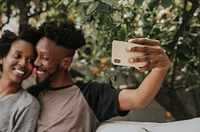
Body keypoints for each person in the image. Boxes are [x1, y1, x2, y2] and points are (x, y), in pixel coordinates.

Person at [27, 21, 171, 132]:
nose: (36, 62)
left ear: (66, 62)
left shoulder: (91, 95)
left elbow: (138, 99)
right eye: (36, 55)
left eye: (44, 57)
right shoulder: (32, 94)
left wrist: (161, 68)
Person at [0, 24, 40, 132]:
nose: (23, 63)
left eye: (30, 60)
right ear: (2, 58)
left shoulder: (27, 105)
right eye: (17, 56)